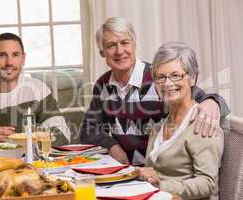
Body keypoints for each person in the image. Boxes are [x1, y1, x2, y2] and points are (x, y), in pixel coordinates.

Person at [80, 17, 229, 165]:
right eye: (111, 45)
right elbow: (88, 129)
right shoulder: (102, 84)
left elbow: (200, 97)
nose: (119, 51)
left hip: (162, 173)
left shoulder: (159, 78)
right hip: (126, 173)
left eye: (125, 42)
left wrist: (212, 102)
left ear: (134, 44)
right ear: (102, 52)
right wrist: (111, 145)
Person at [136, 41, 223, 199]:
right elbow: (153, 173)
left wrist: (161, 184)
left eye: (175, 75)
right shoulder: (159, 126)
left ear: (193, 78)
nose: (168, 83)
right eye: (160, 77)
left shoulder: (204, 122)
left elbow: (207, 183)